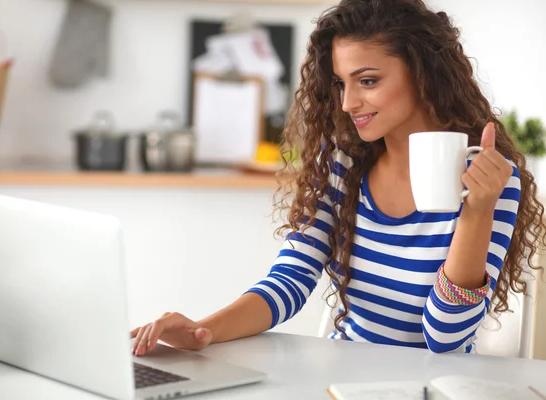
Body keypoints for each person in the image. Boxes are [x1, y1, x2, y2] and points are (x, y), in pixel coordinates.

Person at [131, 0, 546, 354]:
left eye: (367, 81)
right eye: (340, 83)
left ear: (424, 73)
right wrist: (204, 332)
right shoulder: (344, 163)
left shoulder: (491, 179)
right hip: (341, 379)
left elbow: (445, 339)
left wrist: (476, 211)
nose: (348, 102)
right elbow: (291, 278)